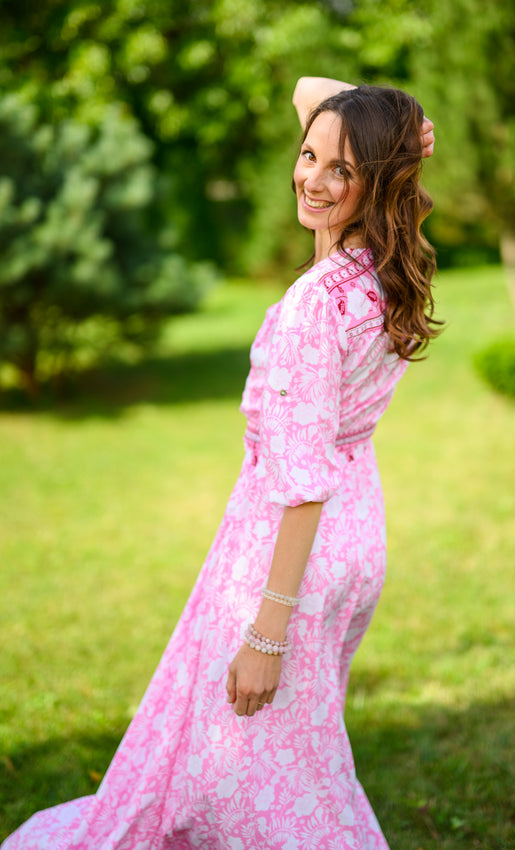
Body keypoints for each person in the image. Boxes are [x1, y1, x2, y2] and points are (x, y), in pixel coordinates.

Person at [2, 77, 439, 850]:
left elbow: (301, 485)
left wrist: (266, 636)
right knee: (291, 751)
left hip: (292, 552)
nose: (311, 178)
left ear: (378, 180)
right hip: (354, 539)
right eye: (308, 156)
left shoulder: (315, 306)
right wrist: (392, 131)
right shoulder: (377, 274)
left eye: (342, 169)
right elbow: (315, 92)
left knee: (272, 773)